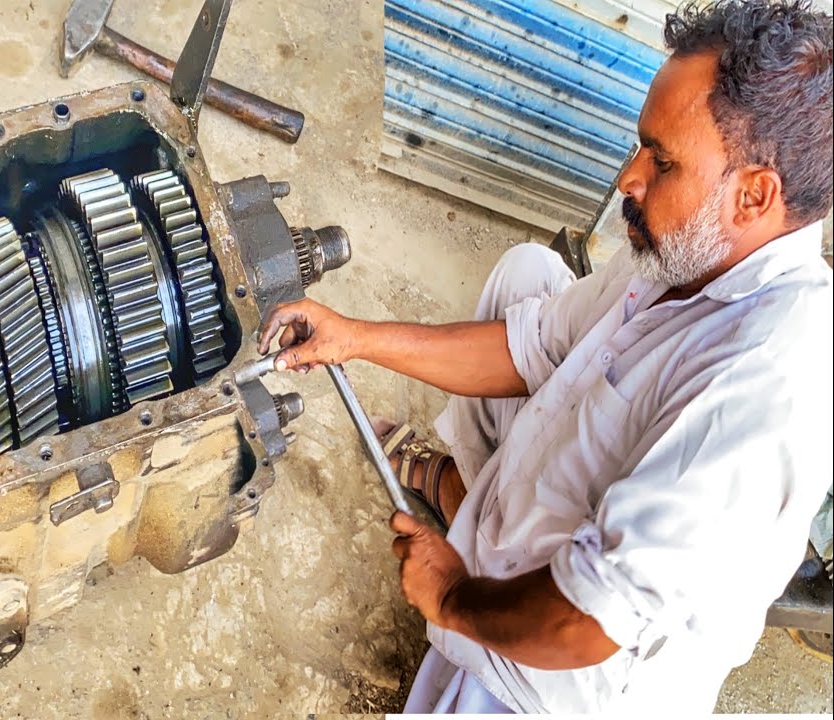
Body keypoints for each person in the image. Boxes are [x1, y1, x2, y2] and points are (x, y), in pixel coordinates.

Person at [257, 0, 833, 713]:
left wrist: (455, 598)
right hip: (565, 564)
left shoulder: (763, 391)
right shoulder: (693, 248)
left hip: (559, 685)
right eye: (639, 146)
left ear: (754, 196)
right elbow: (532, 346)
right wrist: (356, 337)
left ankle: (467, 546)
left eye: (662, 160)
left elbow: (587, 619)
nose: (629, 176)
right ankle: (459, 496)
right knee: (527, 273)